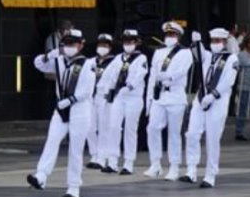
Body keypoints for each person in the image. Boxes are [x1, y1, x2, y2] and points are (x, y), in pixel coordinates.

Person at [27, 28, 96, 197]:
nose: (69, 47)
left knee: (75, 149)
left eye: (73, 44)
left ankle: (73, 187)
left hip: (79, 109)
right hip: (61, 110)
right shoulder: (58, 60)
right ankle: (41, 176)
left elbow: (86, 91)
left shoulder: (87, 64)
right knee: (52, 141)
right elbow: (39, 64)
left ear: (81, 45)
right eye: (66, 44)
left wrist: (70, 100)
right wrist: (49, 55)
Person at [182, 28, 239, 187]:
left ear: (224, 42)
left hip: (218, 101)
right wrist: (196, 41)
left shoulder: (231, 59)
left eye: (218, 41)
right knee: (192, 133)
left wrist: (213, 95)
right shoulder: (208, 56)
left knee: (212, 138)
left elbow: (229, 81)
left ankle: (210, 175)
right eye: (212, 41)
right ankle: (191, 170)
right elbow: (197, 54)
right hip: (200, 99)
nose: (215, 44)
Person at [144, 21, 194, 181]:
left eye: (172, 34)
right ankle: (155, 164)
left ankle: (174, 167)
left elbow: (182, 71)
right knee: (152, 128)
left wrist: (169, 77)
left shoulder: (185, 52)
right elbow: (152, 77)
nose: (169, 37)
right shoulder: (159, 53)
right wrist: (149, 99)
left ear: (178, 36)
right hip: (159, 97)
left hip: (175, 96)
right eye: (167, 35)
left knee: (174, 133)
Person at [101, 29, 148, 175]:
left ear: (136, 42)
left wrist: (129, 86)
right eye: (126, 41)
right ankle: (112, 162)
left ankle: (128, 163)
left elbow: (140, 74)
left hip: (133, 97)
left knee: (130, 129)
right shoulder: (118, 58)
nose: (128, 44)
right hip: (119, 97)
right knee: (113, 126)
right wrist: (107, 89)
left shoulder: (141, 58)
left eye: (131, 41)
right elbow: (109, 75)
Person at [84, 34, 116, 170]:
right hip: (90, 96)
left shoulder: (114, 62)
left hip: (104, 96)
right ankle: (94, 154)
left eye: (105, 45)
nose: (102, 47)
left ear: (110, 47)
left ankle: (102, 157)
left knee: (104, 127)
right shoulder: (90, 61)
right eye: (100, 45)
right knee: (90, 127)